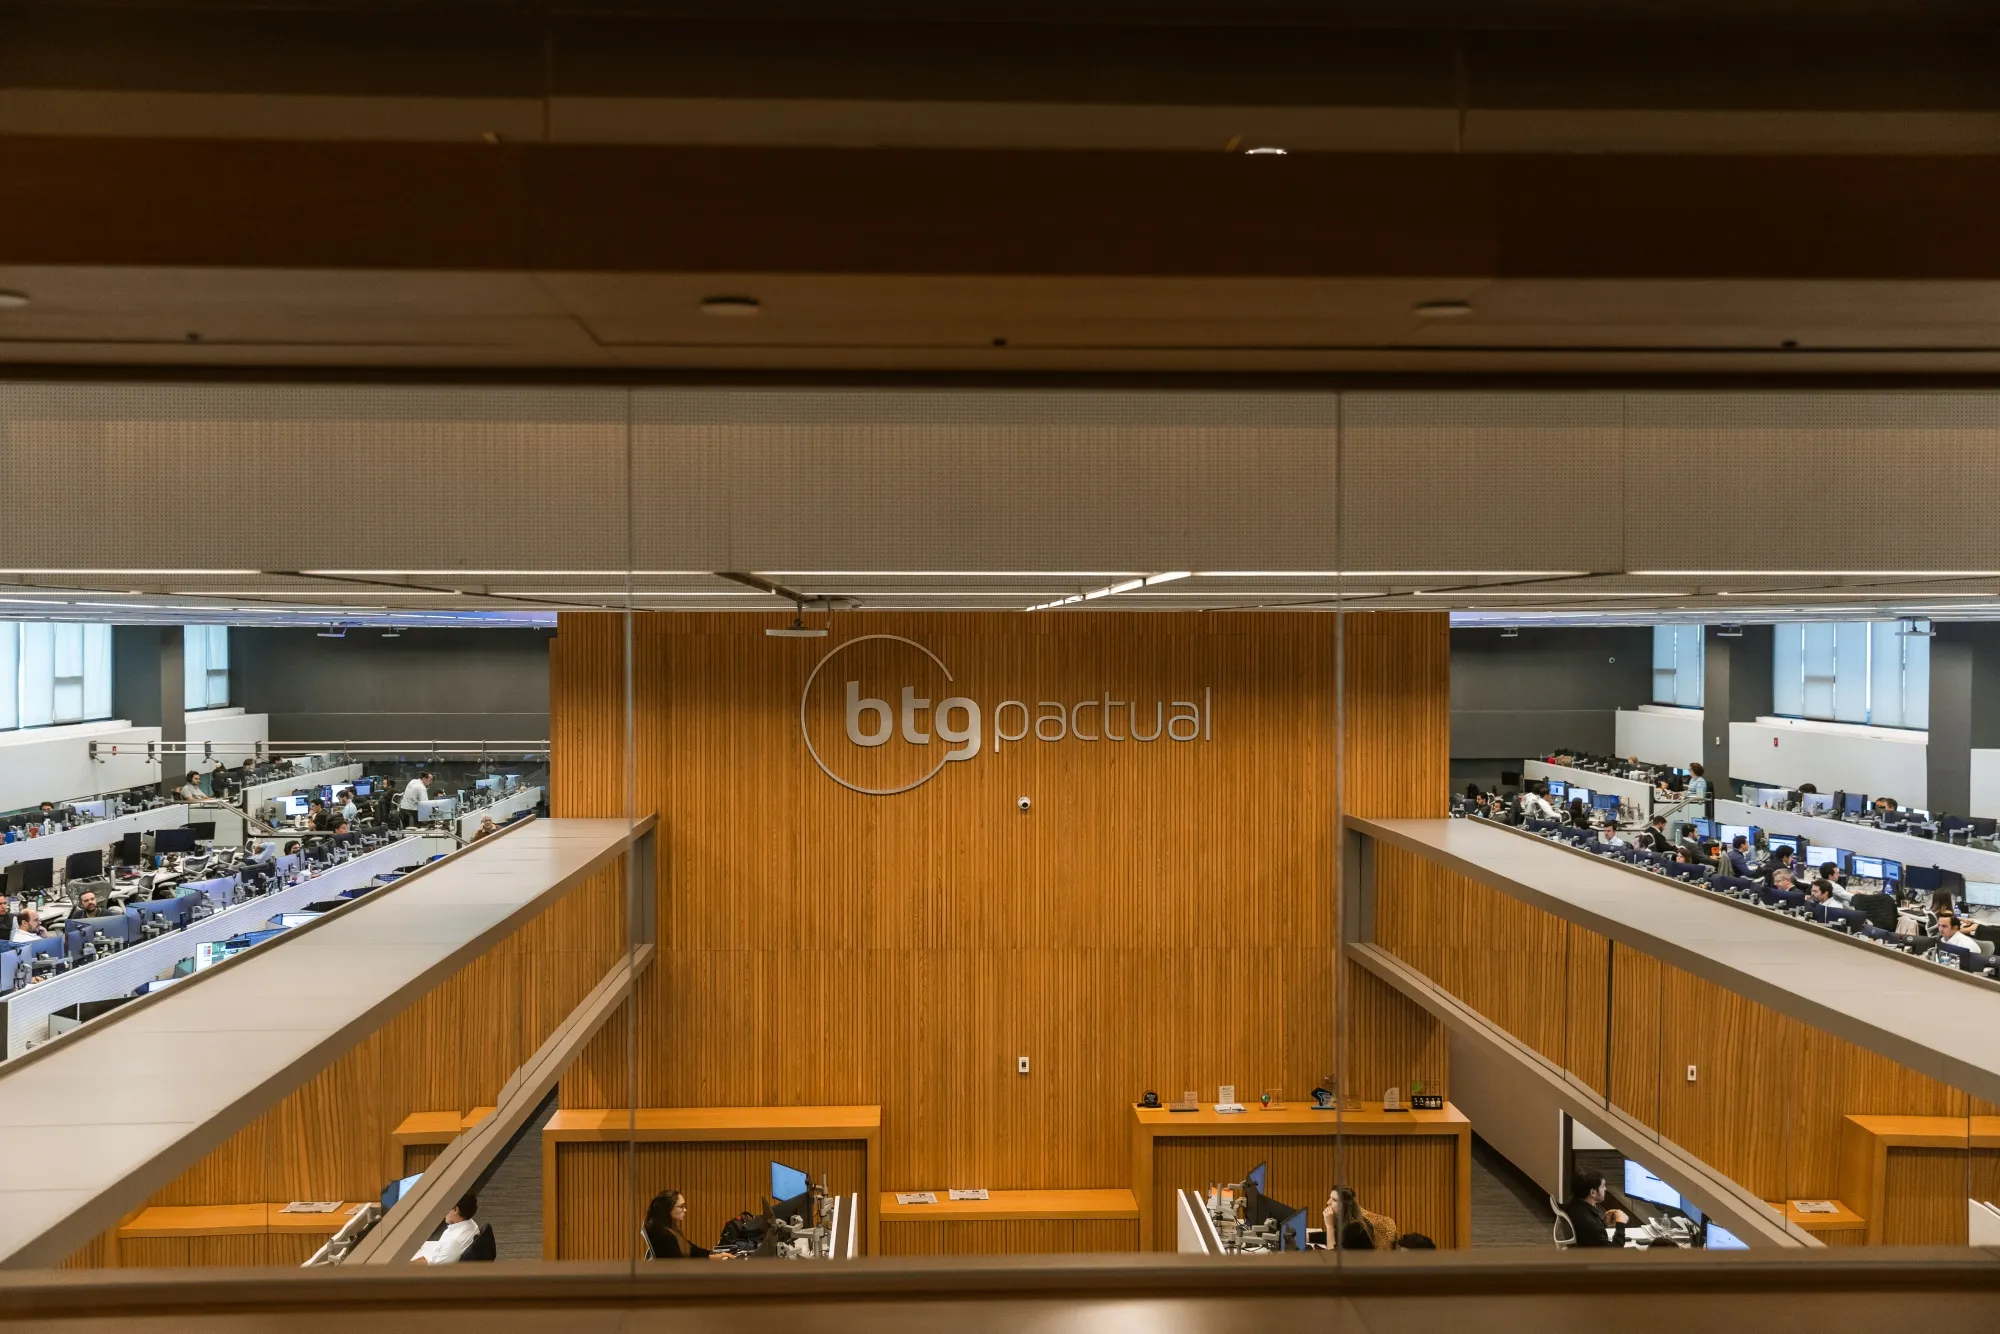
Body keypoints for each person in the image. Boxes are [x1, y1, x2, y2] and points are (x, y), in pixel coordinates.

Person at [642, 1190, 731, 1260]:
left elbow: (691, 1249)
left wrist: (713, 1256)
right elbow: (677, 1268)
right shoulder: (664, 1236)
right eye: (681, 1206)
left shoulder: (669, 1229)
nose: (685, 1210)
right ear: (667, 1209)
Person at [410, 1193, 480, 1265]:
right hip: (438, 1253)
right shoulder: (471, 1223)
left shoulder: (453, 1241)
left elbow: (434, 1268)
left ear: (455, 1210)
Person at [1321, 1186, 1399, 1250]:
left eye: (1334, 1200)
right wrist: (1308, 1236)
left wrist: (1329, 1226)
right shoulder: (1345, 1221)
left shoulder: (1355, 1226)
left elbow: (1332, 1257)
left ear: (1345, 1206)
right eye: (1330, 1198)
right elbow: (1336, 1236)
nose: (1328, 1202)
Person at [1567, 1173, 1629, 1247]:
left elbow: (1592, 1235)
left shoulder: (1574, 1203)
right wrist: (1621, 1224)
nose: (1605, 1189)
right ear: (1593, 1192)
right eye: (1603, 1186)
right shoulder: (1589, 1223)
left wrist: (1602, 1223)